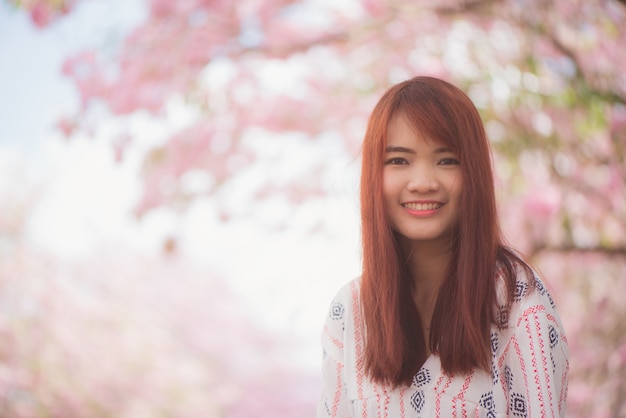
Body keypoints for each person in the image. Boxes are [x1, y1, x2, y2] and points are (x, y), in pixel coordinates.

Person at [316, 76, 569, 417]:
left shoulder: (515, 302)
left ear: (474, 174)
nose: (423, 182)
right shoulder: (349, 312)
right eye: (399, 161)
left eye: (447, 160)